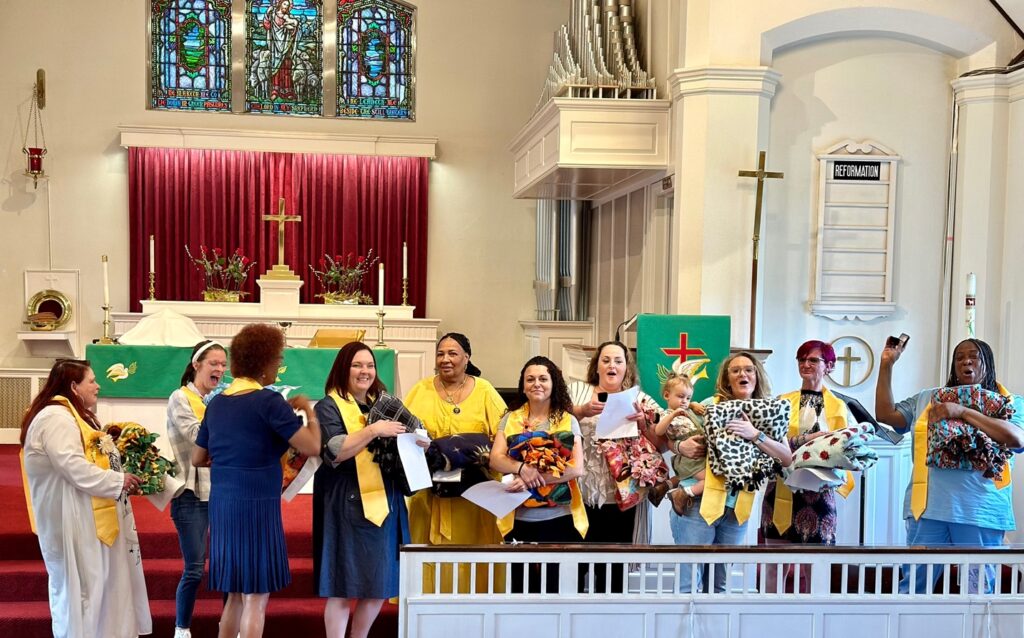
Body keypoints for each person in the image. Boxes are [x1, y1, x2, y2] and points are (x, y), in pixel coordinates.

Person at [192, 324, 321, 638]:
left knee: (235, 594)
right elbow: (313, 446)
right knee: (256, 597)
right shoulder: (269, 402)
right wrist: (308, 411)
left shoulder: (218, 403)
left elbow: (197, 458)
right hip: (257, 506)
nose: (278, 364)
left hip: (223, 505)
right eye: (277, 359)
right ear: (263, 362)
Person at [876, 337, 1024, 594]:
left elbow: (1016, 438)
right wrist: (887, 365)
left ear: (987, 362)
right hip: (927, 509)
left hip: (980, 510)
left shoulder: (1010, 402)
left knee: (978, 591)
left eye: (974, 356)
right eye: (959, 357)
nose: (966, 361)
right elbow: (886, 414)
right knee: (913, 589)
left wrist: (962, 412)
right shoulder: (928, 399)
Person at [20, 358, 151, 638]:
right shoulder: (56, 418)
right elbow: (72, 466)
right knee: (83, 592)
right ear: (73, 386)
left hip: (87, 516)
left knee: (100, 587)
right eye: (91, 380)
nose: (98, 385)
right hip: (71, 519)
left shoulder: (71, 416)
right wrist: (118, 481)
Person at [671, 352, 793, 593]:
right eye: (735, 370)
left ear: (756, 376)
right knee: (689, 585)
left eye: (748, 369)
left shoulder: (770, 411)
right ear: (727, 379)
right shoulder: (709, 406)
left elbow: (786, 457)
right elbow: (672, 436)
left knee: (719, 585)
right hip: (697, 503)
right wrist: (678, 446)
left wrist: (754, 434)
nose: (742, 374)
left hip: (737, 507)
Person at [313, 342, 408, 638]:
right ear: (343, 368)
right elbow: (335, 451)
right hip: (346, 502)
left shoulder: (386, 404)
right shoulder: (327, 406)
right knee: (341, 586)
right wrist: (373, 430)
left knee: (380, 583)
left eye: (369, 365)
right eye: (357, 365)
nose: (364, 371)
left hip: (385, 499)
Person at [404, 332, 507, 593]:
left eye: (453, 353)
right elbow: (403, 431)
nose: (446, 359)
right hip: (429, 490)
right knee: (427, 554)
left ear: (467, 358)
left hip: (475, 494)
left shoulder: (484, 390)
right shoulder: (421, 389)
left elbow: (505, 433)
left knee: (474, 553)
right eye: (441, 354)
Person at [760, 340, 856, 592]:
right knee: (774, 564)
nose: (805, 364)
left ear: (829, 366)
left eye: (813, 360)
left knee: (816, 564)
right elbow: (769, 441)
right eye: (801, 359)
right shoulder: (783, 401)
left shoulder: (838, 406)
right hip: (781, 486)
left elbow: (842, 446)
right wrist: (802, 441)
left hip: (819, 490)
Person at [490, 356, 587, 592]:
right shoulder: (510, 418)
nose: (537, 384)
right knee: (521, 589)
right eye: (530, 379)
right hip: (519, 518)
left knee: (557, 589)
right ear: (523, 386)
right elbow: (496, 458)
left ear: (554, 384)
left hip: (559, 519)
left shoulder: (568, 420)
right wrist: (521, 469)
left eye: (543, 378)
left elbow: (576, 468)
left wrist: (530, 481)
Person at [568, 340, 657, 592]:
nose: (612, 365)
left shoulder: (638, 397)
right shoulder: (577, 391)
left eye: (618, 361)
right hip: (581, 493)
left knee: (614, 569)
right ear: (596, 366)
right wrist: (581, 411)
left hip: (620, 496)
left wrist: (643, 423)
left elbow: (661, 441)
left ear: (626, 368)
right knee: (577, 564)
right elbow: (554, 419)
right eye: (605, 360)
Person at [166, 339, 228, 638]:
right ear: (196, 365)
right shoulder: (180, 398)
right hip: (191, 494)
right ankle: (182, 629)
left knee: (229, 565)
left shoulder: (221, 399)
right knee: (194, 568)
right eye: (213, 363)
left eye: (223, 364)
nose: (219, 369)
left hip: (224, 492)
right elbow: (195, 435)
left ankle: (229, 627)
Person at [654, 373, 705, 517]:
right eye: (681, 396)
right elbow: (658, 431)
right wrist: (673, 415)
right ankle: (681, 493)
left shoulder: (688, 410)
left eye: (688, 398)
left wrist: (693, 405)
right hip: (689, 459)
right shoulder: (666, 414)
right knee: (710, 481)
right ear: (666, 395)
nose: (684, 401)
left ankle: (668, 485)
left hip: (700, 450)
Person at [263, 0, 299, 100]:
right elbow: (267, 25)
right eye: (284, 4)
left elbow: (293, 30)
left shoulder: (288, 17)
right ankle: (275, 90)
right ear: (280, 4)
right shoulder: (272, 14)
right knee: (276, 68)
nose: (285, 7)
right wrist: (266, 14)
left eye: (287, 5)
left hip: (286, 46)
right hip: (275, 45)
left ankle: (288, 91)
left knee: (287, 67)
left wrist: (292, 28)